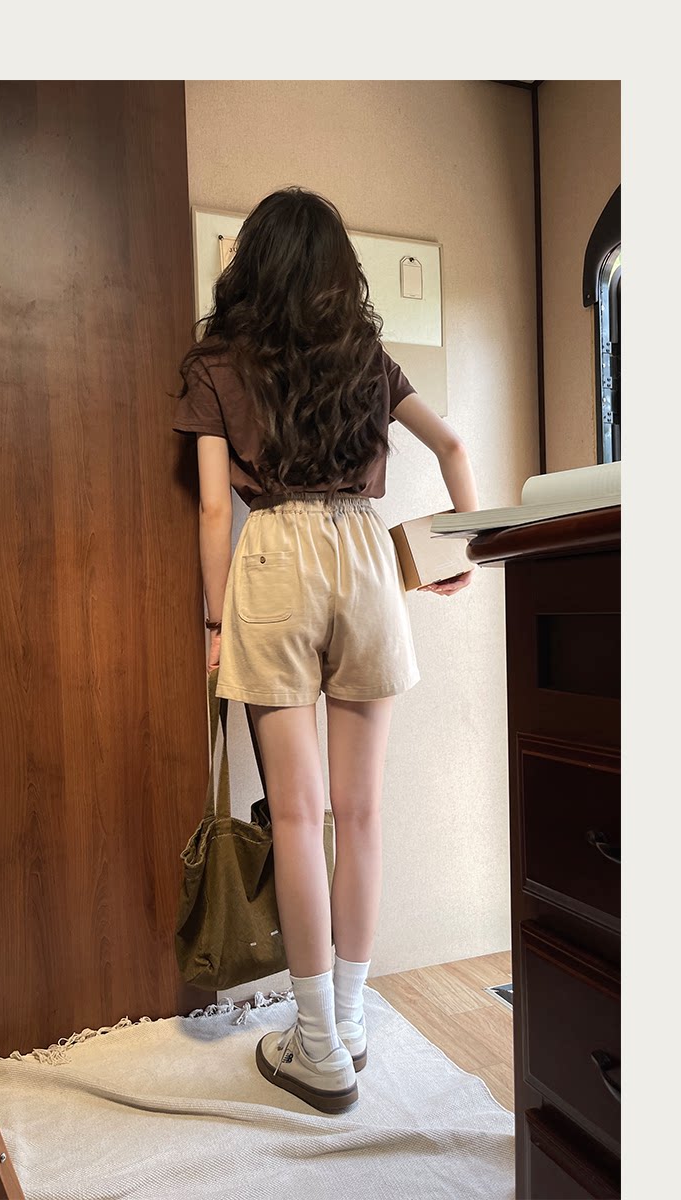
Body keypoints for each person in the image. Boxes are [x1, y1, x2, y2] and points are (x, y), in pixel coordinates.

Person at [172, 187, 479, 1114]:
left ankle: (315, 1048)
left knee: (299, 818)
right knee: (363, 812)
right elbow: (453, 444)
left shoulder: (215, 363)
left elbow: (215, 507)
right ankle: (348, 1021)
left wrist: (216, 624)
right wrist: (461, 549)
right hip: (364, 555)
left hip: (274, 559)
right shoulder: (366, 357)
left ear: (252, 265)